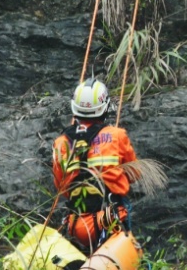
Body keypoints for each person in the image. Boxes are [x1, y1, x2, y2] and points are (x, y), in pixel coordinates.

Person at [52, 78, 138, 253]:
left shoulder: (61, 143)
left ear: (74, 108)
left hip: (76, 224)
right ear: (104, 107)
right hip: (110, 220)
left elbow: (62, 187)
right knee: (124, 204)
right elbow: (134, 173)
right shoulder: (117, 135)